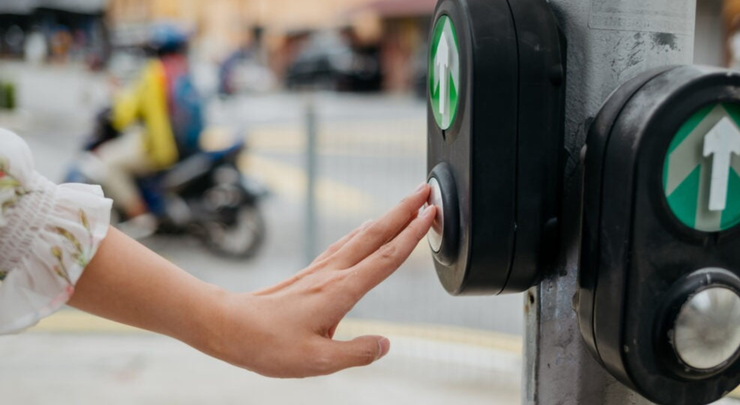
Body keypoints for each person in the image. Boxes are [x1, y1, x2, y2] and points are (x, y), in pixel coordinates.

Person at [0, 127, 437, 377]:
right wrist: (224, 320)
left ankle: (139, 210)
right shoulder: (174, 75)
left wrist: (226, 320)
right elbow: (18, 215)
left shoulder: (157, 74)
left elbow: (18, 216)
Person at [96, 23, 204, 222]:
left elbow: (123, 115)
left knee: (108, 164)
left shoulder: (153, 73)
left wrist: (116, 94)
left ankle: (140, 216)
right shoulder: (182, 69)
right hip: (185, 147)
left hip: (159, 149)